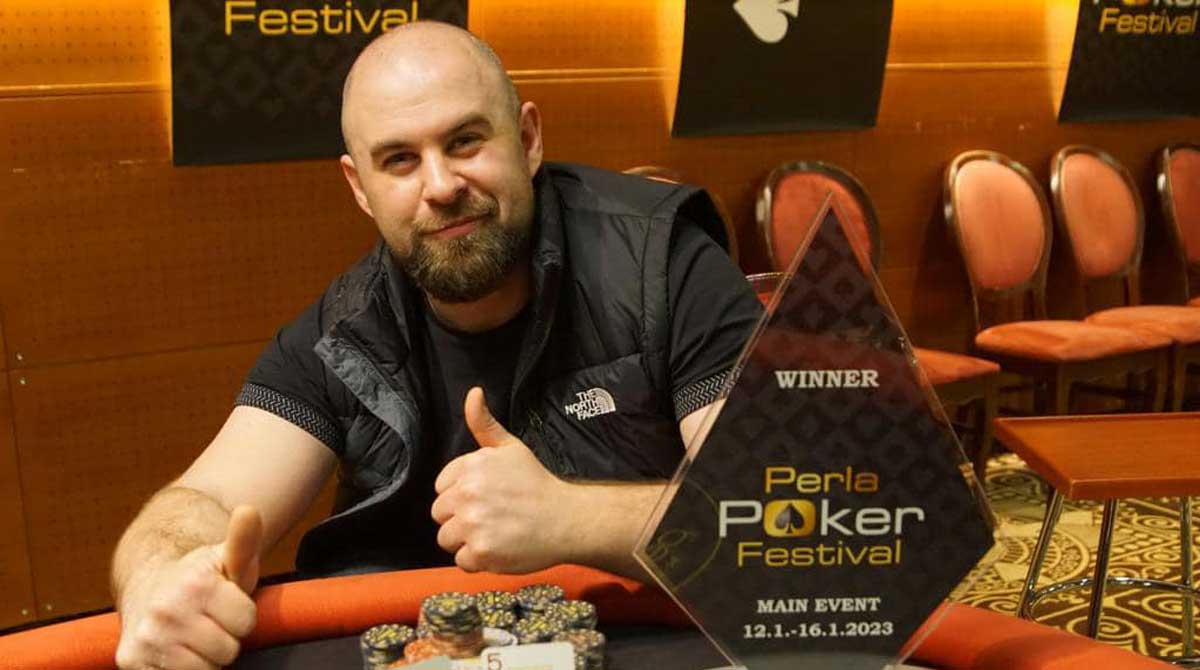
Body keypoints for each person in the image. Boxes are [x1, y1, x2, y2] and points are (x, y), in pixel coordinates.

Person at [110, 21, 761, 670]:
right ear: (360, 188)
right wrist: (157, 577)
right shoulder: (341, 333)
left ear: (528, 140)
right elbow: (201, 502)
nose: (442, 185)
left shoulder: (663, 268)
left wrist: (574, 517)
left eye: (465, 141)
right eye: (400, 160)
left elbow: (791, 517)